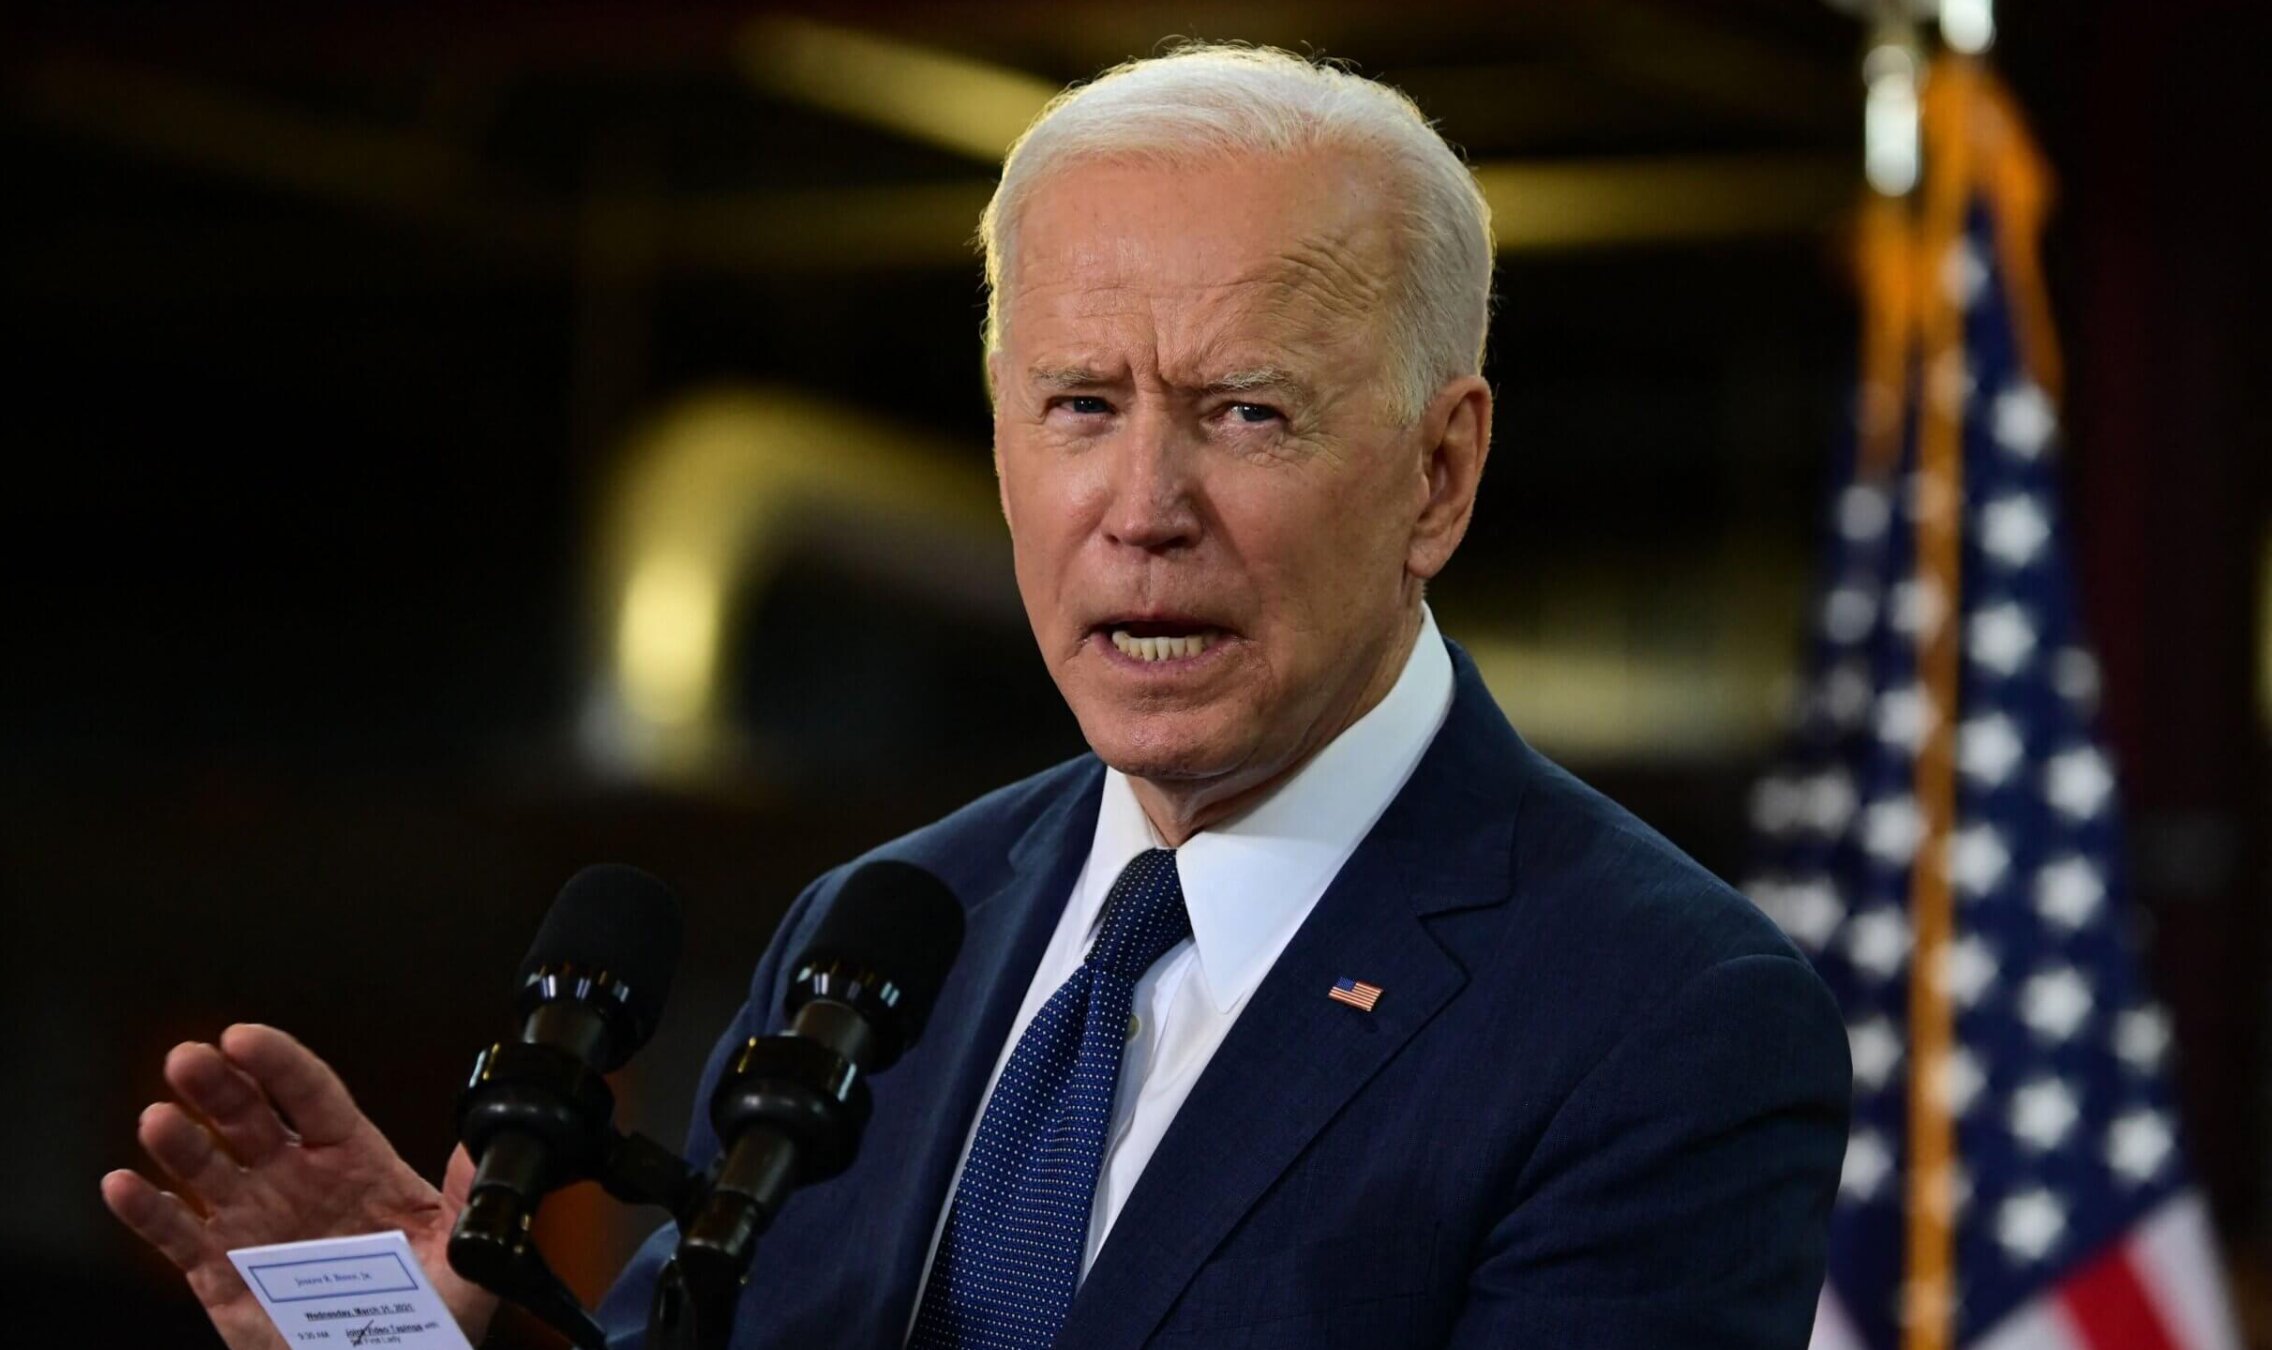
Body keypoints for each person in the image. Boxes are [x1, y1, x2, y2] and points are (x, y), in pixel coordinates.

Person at [104, 44, 1850, 1349]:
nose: (1143, 505)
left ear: (1440, 475)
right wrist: (424, 1341)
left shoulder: (1660, 1013)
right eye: (1081, 404)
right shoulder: (890, 929)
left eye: (1245, 409)